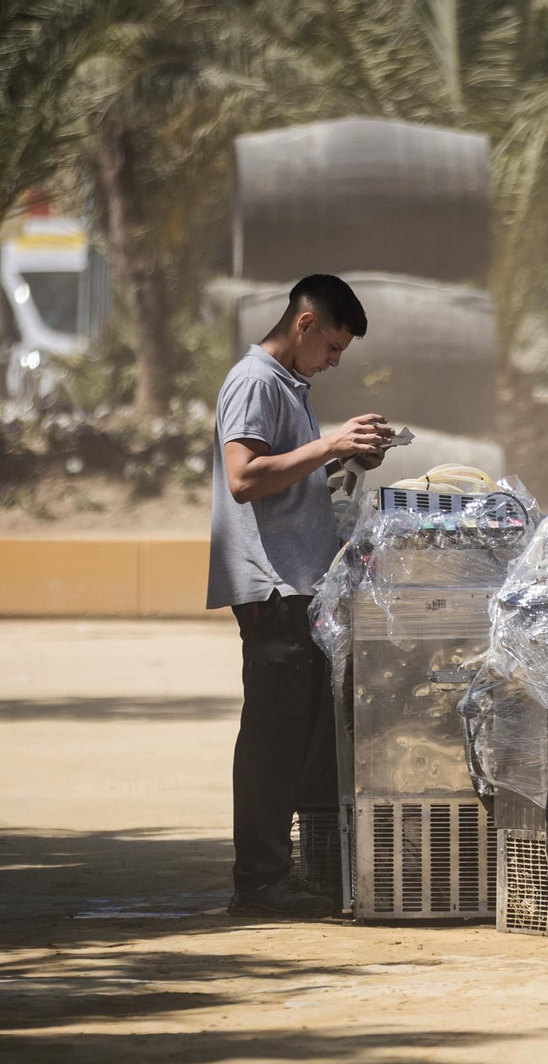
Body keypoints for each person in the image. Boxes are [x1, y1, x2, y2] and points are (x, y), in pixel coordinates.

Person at [207, 274, 391, 917]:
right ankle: (259, 882)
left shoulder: (289, 386)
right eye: (333, 347)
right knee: (272, 739)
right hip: (272, 587)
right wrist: (330, 443)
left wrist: (346, 458)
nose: (335, 361)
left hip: (298, 586)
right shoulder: (256, 381)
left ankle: (281, 874)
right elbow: (243, 477)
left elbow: (288, 477)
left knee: (296, 738)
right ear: (306, 323)